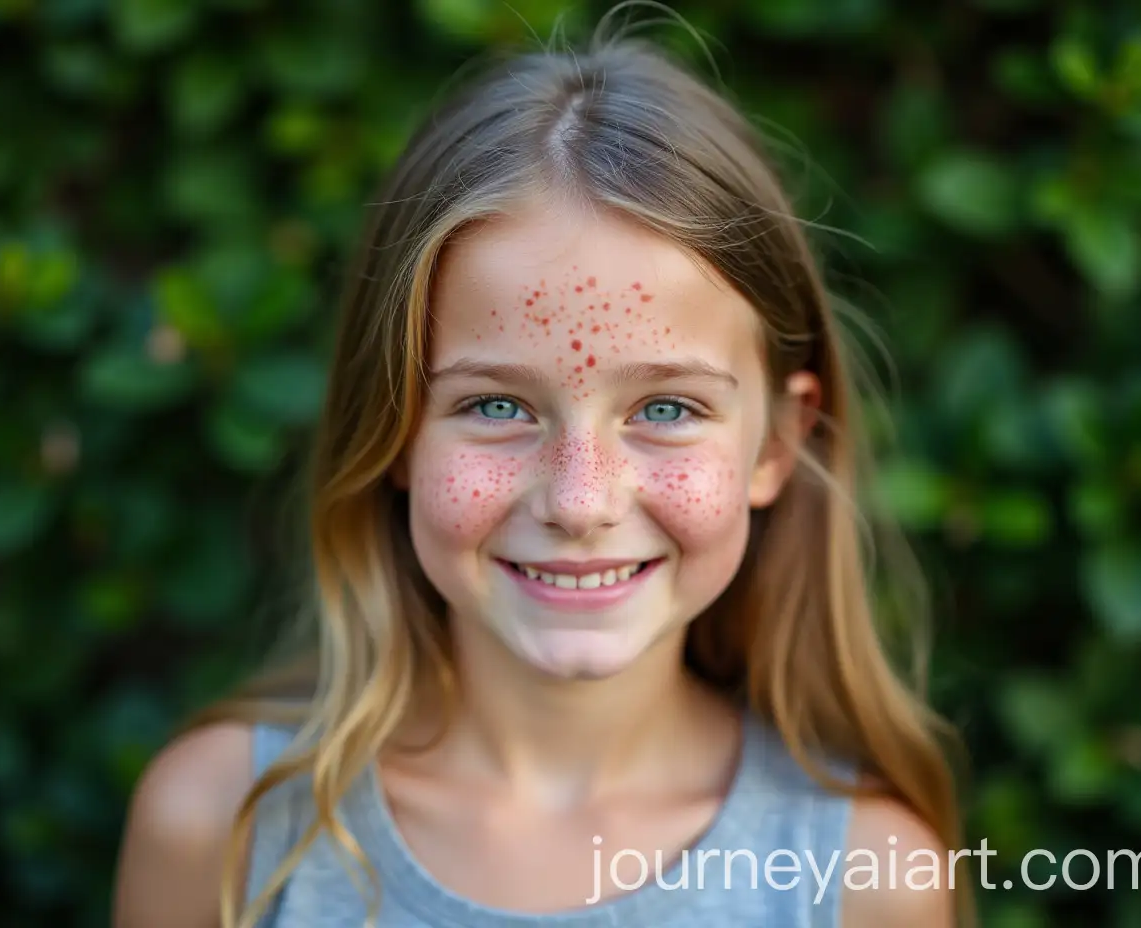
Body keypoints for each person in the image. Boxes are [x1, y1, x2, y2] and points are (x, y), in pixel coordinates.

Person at [112, 11, 971, 928]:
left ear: (776, 445)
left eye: (666, 410)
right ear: (395, 431)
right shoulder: (226, 828)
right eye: (496, 407)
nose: (580, 500)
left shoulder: (867, 877)